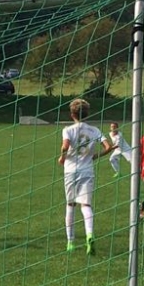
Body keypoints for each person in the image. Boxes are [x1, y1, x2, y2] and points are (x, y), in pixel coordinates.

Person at [58, 98, 113, 255]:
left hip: (70, 170)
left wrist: (62, 157)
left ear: (72, 114)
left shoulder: (68, 130)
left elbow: (65, 146)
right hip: (87, 170)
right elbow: (108, 147)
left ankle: (70, 242)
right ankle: (89, 234)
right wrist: (95, 156)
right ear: (87, 113)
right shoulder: (94, 130)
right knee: (86, 205)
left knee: (70, 205)